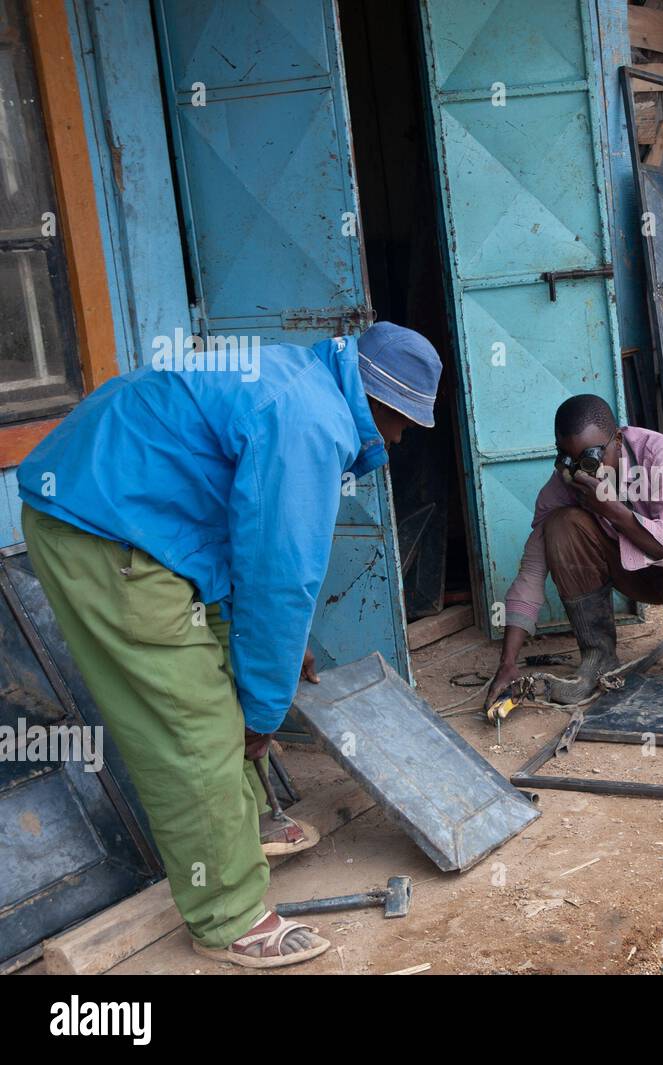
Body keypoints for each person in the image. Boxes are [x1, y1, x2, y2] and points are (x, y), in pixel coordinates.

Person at [17, 321, 441, 968]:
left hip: (161, 525)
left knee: (233, 676)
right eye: (403, 420)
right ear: (377, 398)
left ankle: (242, 828)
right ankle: (227, 913)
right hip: (103, 526)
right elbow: (280, 576)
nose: (399, 437)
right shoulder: (311, 421)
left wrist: (273, 657)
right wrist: (265, 713)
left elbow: (254, 540)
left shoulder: (310, 385)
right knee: (198, 723)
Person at [486, 394, 663, 707]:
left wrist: (613, 510)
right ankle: (598, 656)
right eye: (566, 458)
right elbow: (531, 571)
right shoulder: (567, 480)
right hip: (635, 568)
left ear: (618, 440)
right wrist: (508, 663)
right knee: (560, 524)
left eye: (591, 456)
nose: (580, 471)